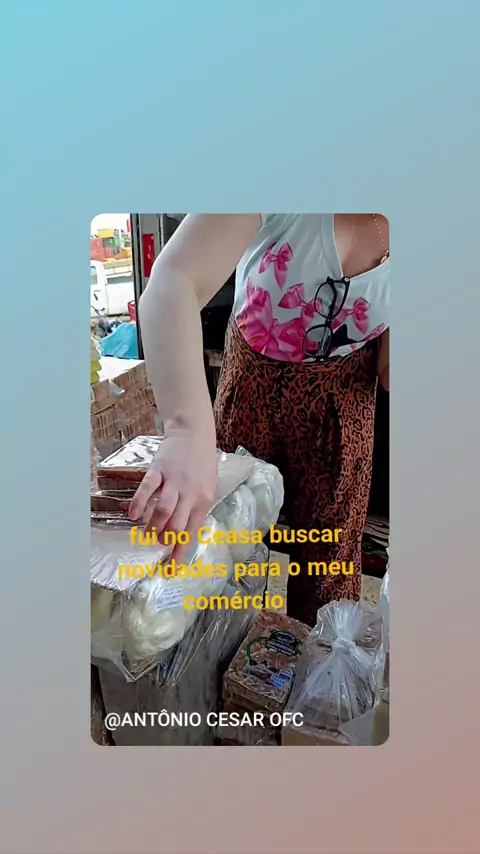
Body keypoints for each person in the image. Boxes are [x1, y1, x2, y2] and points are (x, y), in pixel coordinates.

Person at [129, 214, 389, 626]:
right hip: (252, 384)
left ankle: (320, 660)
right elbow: (174, 281)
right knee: (224, 539)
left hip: (342, 401)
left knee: (329, 565)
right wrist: (187, 430)